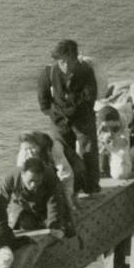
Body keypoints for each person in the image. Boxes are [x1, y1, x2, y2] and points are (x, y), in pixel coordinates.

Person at [36, 38, 99, 194]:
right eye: (62, 62)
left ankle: (91, 186)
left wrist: (71, 110)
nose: (66, 66)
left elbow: (89, 98)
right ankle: (71, 188)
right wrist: (53, 114)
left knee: (88, 151)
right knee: (63, 153)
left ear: (76, 59)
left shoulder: (85, 71)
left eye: (69, 61)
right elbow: (43, 99)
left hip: (82, 118)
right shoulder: (49, 72)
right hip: (59, 120)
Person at [6, 155, 74, 241]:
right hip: (22, 203)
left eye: (37, 181)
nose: (33, 185)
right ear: (22, 175)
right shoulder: (11, 177)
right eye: (30, 181)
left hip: (44, 204)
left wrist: (53, 226)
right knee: (24, 224)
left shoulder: (50, 177)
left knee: (61, 229)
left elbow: (54, 202)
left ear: (42, 176)